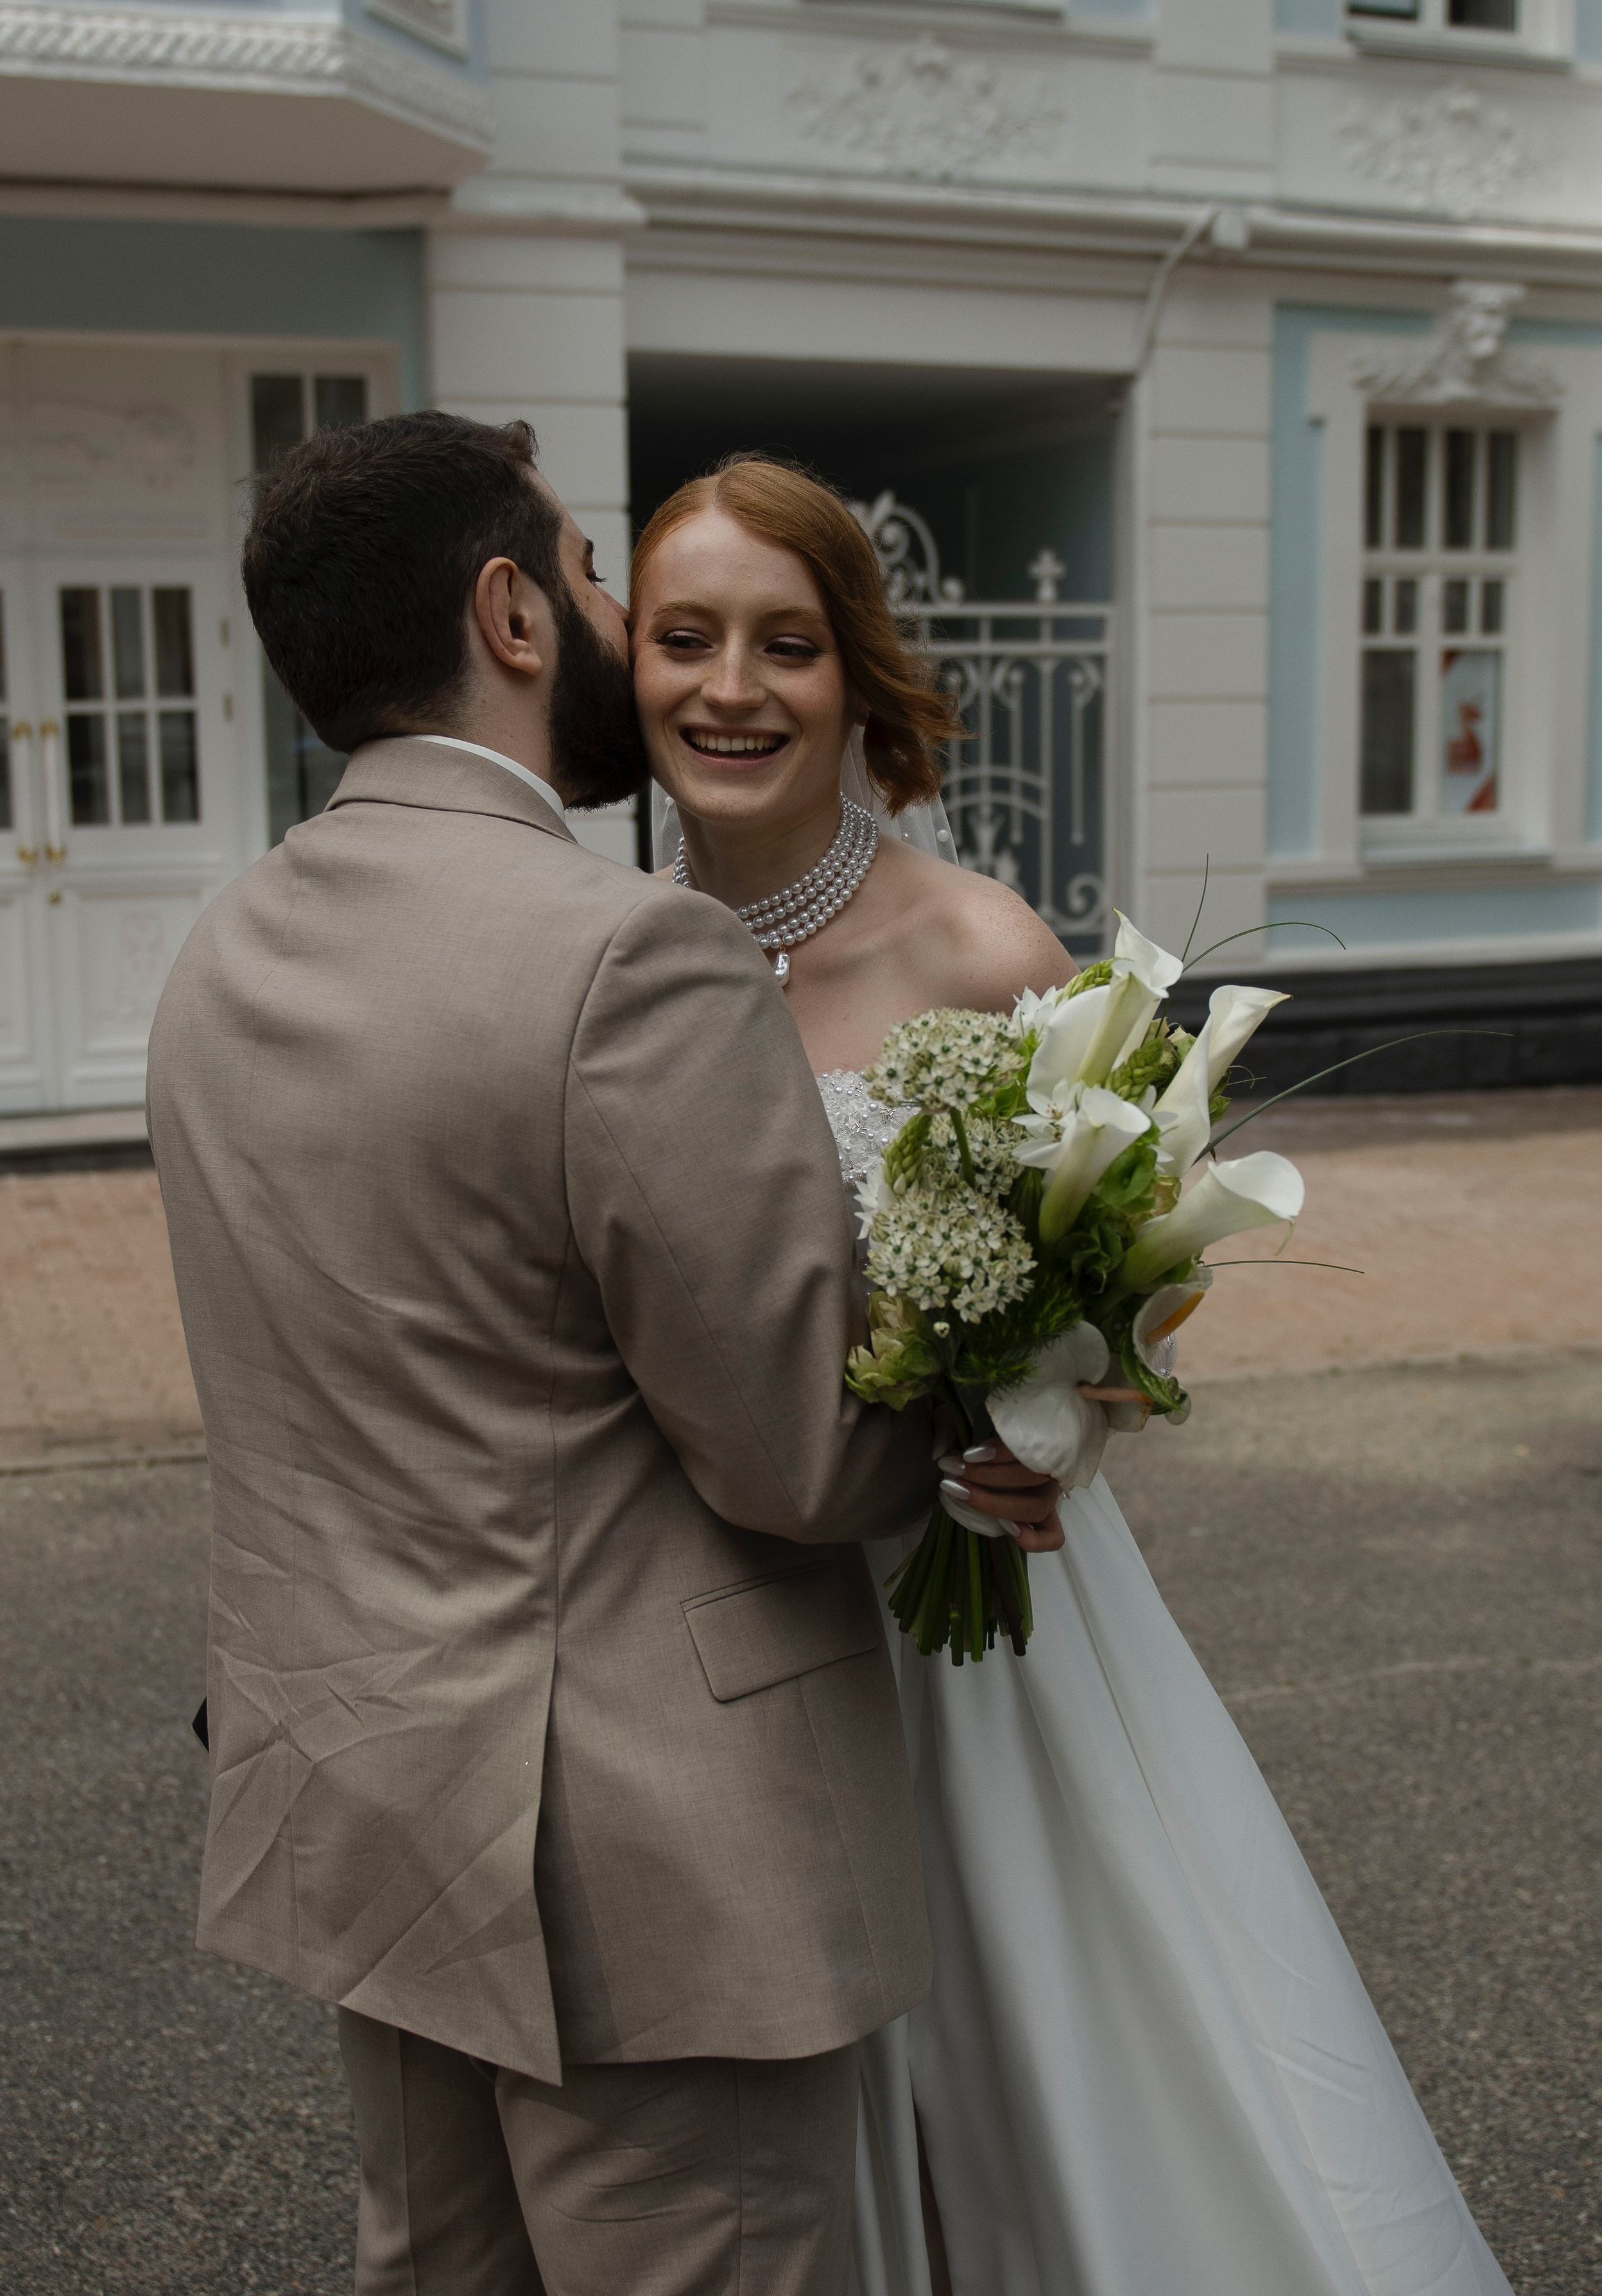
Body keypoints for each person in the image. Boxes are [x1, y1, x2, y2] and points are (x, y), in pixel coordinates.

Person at [146, 412, 1062, 2296]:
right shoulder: (630, 956)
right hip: (645, 1863)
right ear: (507, 609)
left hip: (367, 1817)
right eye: (587, 578)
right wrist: (1001, 1416)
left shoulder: (219, 953)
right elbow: (797, 1455)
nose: (613, 620)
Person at [631, 453, 1516, 2296]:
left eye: (784, 643)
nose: (730, 686)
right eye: (684, 637)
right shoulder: (607, 970)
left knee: (1049, 2033)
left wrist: (1055, 1433)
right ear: (625, 667)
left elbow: (1138, 1281)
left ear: (858, 680)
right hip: (726, 1621)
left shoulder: (977, 946)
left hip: (981, 1625)